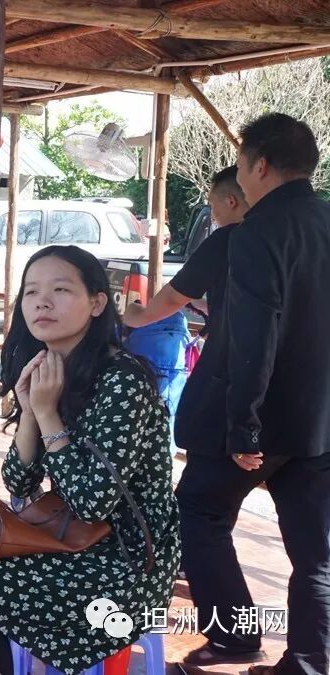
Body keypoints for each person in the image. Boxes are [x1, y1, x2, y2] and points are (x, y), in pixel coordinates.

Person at [0, 246, 180, 675]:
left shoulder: (123, 382)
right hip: (67, 533)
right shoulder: (49, 368)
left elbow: (93, 503)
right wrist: (30, 413)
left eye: (61, 290)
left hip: (126, 559)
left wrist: (48, 413)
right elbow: (19, 482)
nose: (42, 302)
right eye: (32, 292)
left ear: (97, 303)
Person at [177, 113, 330, 675]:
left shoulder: (255, 233)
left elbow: (253, 335)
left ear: (260, 165)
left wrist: (244, 425)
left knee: (199, 510)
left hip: (263, 419)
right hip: (320, 421)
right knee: (314, 553)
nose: (239, 176)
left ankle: (235, 638)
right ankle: (308, 662)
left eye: (241, 164)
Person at [123, 166, 248, 332]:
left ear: (230, 202)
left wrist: (135, 316)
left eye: (212, 205)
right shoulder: (271, 237)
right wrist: (205, 305)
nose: (213, 215)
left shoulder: (224, 240)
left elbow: (173, 298)